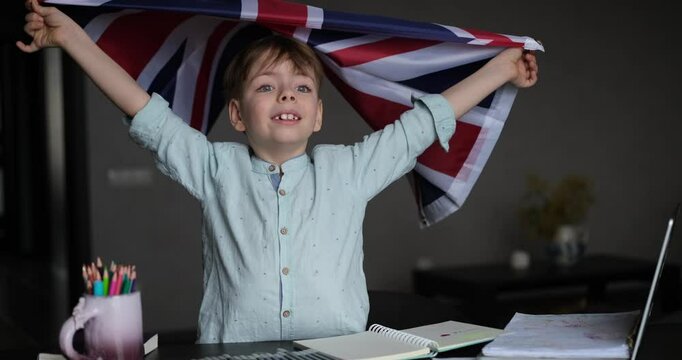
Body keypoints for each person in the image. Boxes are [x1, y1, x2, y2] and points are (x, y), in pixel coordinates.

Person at [18, 0, 538, 343]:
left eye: (301, 87)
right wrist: (73, 41)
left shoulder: (350, 168)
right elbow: (145, 111)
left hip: (342, 356)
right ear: (239, 115)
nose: (286, 93)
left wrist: (499, 70)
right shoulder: (214, 168)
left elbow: (423, 124)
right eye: (266, 86)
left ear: (316, 116)